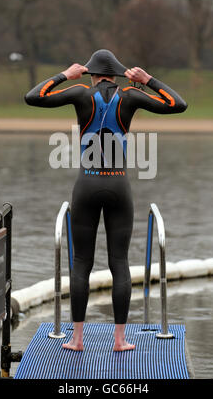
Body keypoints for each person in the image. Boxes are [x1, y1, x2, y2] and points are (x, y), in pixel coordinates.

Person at [25, 49, 187, 352]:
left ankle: (76, 339)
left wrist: (64, 76)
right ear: (115, 73)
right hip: (118, 185)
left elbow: (33, 97)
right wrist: (147, 79)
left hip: (86, 183)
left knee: (81, 263)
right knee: (120, 263)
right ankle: (120, 340)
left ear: (92, 73)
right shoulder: (131, 96)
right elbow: (178, 104)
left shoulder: (79, 93)